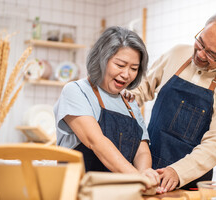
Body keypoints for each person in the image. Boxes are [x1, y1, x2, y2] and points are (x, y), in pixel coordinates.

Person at [125, 12, 216, 192]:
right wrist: (125, 97)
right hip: (147, 166)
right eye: (200, 42)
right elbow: (142, 88)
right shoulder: (177, 53)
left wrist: (178, 171)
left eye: (212, 54)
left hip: (189, 181)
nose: (200, 54)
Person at [54, 26, 159, 188]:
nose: (126, 74)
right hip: (78, 191)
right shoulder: (76, 91)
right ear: (102, 59)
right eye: (120, 65)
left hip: (119, 192)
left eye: (134, 69)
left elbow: (142, 149)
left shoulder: (129, 102)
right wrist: (137, 178)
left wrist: (145, 173)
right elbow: (96, 141)